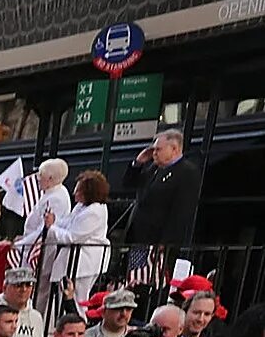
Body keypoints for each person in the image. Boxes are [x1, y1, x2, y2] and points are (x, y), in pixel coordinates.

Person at [123, 128, 202, 262]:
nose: (154, 153)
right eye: (153, 149)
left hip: (157, 243)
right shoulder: (154, 168)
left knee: (149, 280)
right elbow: (128, 184)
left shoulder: (187, 172)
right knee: (133, 279)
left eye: (158, 149)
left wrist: (166, 242)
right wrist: (138, 163)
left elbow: (182, 210)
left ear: (174, 149)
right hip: (138, 238)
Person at [51, 171, 112, 305]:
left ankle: (79, 324)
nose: (74, 193)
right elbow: (67, 223)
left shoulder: (95, 211)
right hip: (74, 262)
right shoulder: (81, 206)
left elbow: (73, 237)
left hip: (84, 264)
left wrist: (51, 227)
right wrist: (55, 222)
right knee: (63, 298)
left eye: (78, 190)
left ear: (89, 192)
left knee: (78, 300)